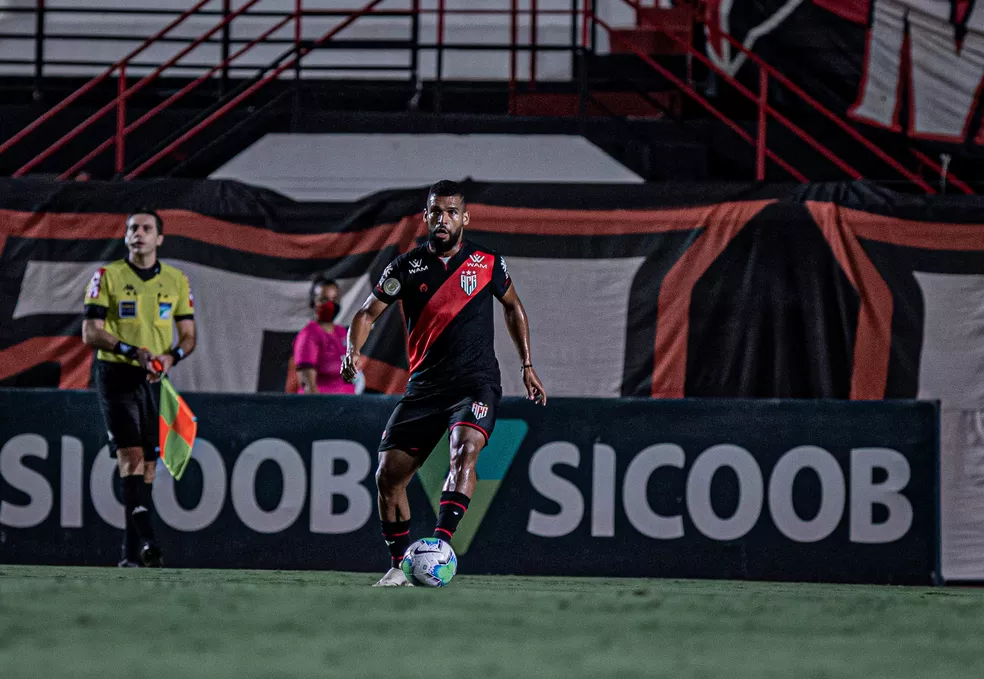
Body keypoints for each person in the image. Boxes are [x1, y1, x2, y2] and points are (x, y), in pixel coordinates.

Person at [341, 180, 547, 587]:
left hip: (476, 382)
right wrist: (352, 350)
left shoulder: (487, 262)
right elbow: (367, 313)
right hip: (425, 388)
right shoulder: (406, 266)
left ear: (464, 218)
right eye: (436, 211)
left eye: (451, 212)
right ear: (425, 217)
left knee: (464, 449)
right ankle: (401, 565)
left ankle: (440, 545)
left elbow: (513, 307)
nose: (443, 219)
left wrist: (526, 363)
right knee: (387, 476)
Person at [81, 210, 196, 567]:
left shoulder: (176, 280)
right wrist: (133, 352)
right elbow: (91, 331)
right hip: (117, 374)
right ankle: (147, 540)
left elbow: (189, 337)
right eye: (133, 228)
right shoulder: (108, 276)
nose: (139, 233)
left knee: (148, 466)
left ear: (160, 238)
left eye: (147, 228)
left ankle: (132, 555)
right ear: (126, 236)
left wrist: (172, 356)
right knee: (129, 458)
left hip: (154, 379)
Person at [293, 274, 356, 395]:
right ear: (313, 303)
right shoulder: (308, 335)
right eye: (324, 299)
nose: (330, 304)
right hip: (323, 408)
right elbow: (308, 387)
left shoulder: (342, 332)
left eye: (335, 299)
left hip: (346, 406)